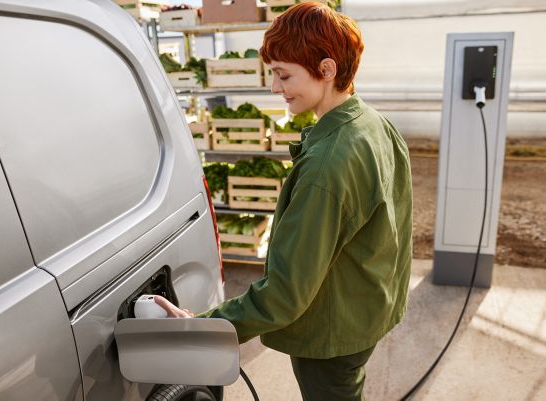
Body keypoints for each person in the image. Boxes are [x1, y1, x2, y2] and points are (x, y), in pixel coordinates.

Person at [155, 3, 413, 400]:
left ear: (327, 69)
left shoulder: (328, 164)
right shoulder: (374, 123)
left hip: (333, 332)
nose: (275, 88)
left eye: (283, 74)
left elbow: (285, 295)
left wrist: (200, 326)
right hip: (368, 309)